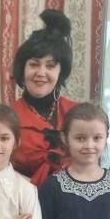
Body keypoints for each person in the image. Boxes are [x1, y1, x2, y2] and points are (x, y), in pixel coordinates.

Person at [10, 9, 78, 186]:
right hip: (20, 199)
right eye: (34, 64)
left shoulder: (77, 114)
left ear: (61, 72)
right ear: (22, 69)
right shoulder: (7, 117)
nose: (41, 73)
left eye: (50, 66)